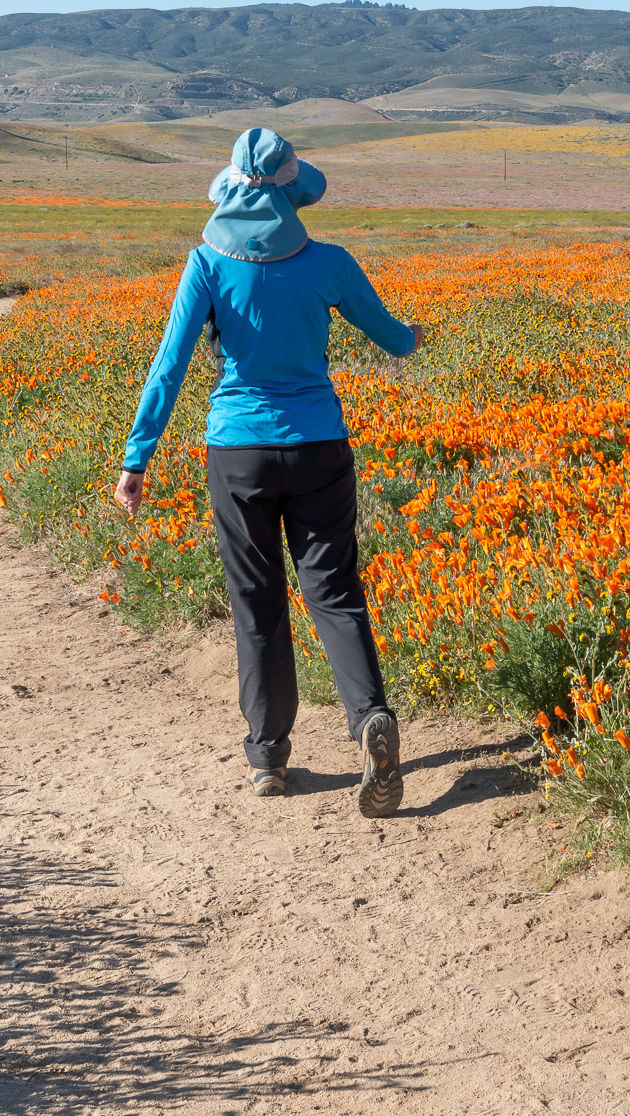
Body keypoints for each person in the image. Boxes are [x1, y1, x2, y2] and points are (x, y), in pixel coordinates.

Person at [113, 128, 424, 817]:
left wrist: (137, 458)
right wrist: (413, 335)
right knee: (334, 591)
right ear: (294, 194)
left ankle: (269, 758)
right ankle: (370, 715)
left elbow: (169, 366)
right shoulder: (330, 262)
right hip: (319, 446)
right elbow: (393, 338)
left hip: (238, 453)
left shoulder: (206, 264)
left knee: (256, 601)